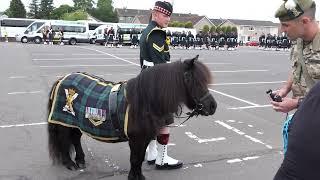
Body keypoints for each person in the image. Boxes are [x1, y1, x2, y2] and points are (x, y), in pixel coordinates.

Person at [271, 0, 320, 179]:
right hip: (300, 121)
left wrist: (296, 103)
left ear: (305, 21)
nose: (282, 29)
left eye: (286, 25)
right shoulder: (298, 40)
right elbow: (297, 67)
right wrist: (285, 88)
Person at [139, 1, 183, 170]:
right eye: (165, 15)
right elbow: (161, 65)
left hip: (146, 80)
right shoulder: (157, 33)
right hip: (156, 84)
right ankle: (162, 159)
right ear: (155, 14)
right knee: (164, 122)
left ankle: (152, 153)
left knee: (152, 120)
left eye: (169, 16)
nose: (168, 19)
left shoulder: (147, 30)